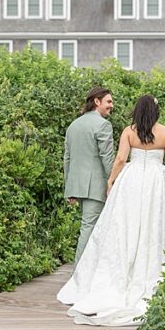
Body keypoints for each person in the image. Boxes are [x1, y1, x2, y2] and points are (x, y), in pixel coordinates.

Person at [57, 95, 165, 326]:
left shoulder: (129, 131)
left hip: (132, 182)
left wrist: (112, 180)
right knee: (154, 224)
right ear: (156, 112)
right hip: (158, 182)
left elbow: (120, 159)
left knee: (124, 225)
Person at [63, 87, 115, 263]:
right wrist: (114, 181)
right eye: (108, 101)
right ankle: (79, 275)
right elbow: (107, 158)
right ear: (96, 102)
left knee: (89, 228)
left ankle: (89, 272)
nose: (111, 105)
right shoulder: (103, 125)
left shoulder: (73, 125)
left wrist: (68, 188)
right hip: (96, 186)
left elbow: (67, 159)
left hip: (77, 185)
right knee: (90, 229)